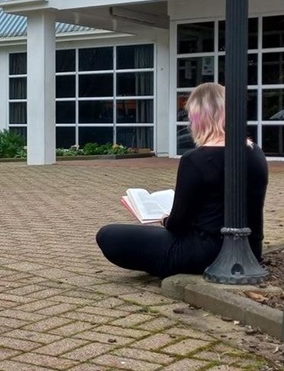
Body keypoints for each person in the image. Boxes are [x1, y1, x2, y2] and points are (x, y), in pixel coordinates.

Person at [96, 82, 269, 278]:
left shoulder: (195, 160)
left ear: (198, 118)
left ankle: (168, 265)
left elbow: (177, 225)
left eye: (191, 117)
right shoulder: (256, 153)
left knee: (108, 235)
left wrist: (164, 219)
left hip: (206, 253)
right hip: (250, 252)